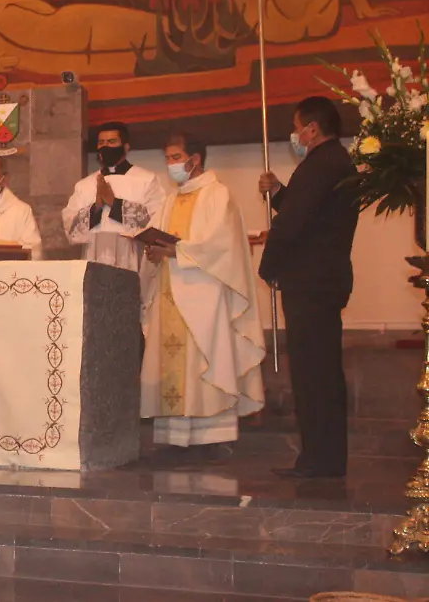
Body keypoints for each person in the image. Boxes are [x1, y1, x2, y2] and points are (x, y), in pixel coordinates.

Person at [139, 133, 266, 458]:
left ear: (195, 159)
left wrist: (176, 250)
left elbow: (221, 245)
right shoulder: (169, 200)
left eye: (176, 156)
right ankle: (175, 438)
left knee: (204, 361)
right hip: (170, 292)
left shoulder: (217, 195)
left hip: (203, 295)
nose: (172, 164)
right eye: (167, 157)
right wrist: (154, 253)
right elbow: (162, 243)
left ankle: (213, 437)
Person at [259, 96, 359, 479]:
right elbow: (312, 212)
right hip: (323, 279)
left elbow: (294, 224)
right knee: (320, 372)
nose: (296, 134)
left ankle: (320, 461)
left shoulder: (320, 164)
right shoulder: (335, 162)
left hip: (310, 281)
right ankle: (323, 458)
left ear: (312, 129)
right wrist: (281, 192)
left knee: (313, 374)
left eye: (298, 126)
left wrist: (268, 266)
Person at [62, 122, 166, 271]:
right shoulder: (84, 185)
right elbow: (70, 227)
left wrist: (116, 205)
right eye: (101, 143)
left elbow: (158, 222)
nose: (106, 147)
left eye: (112, 142)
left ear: (126, 147)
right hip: (94, 258)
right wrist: (96, 208)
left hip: (132, 260)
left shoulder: (146, 180)